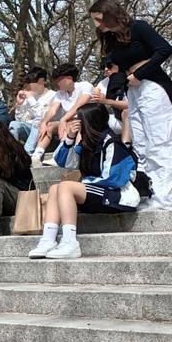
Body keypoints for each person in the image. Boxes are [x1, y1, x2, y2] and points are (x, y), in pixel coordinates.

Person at [91, 0, 172, 210]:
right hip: (133, 92)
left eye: (99, 19)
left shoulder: (138, 27)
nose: (97, 25)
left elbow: (164, 49)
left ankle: (163, 199)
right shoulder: (112, 39)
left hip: (152, 88)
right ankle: (149, 194)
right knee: (141, 145)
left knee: (159, 143)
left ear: (110, 14)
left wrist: (139, 73)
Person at [29, 102, 140, 259]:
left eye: (80, 120)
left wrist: (85, 184)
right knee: (55, 188)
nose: (76, 123)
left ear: (90, 121)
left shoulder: (112, 143)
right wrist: (69, 138)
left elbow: (115, 178)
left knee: (66, 187)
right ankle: (48, 240)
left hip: (117, 195)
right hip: (98, 192)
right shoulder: (87, 143)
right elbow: (63, 162)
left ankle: (70, 242)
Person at [30, 63, 93, 166]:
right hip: (68, 121)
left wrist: (64, 119)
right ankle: (37, 155)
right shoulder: (60, 93)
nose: (56, 83)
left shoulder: (85, 86)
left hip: (86, 121)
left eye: (59, 80)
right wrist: (44, 122)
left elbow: (79, 105)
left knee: (69, 123)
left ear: (69, 78)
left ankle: (59, 155)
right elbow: (52, 110)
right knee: (49, 126)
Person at [10, 68, 56, 155]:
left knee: (38, 121)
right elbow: (20, 119)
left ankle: (27, 152)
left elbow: (44, 116)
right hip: (29, 127)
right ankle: (12, 152)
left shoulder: (52, 95)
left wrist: (31, 100)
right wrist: (19, 105)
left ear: (42, 82)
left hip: (44, 129)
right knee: (14, 124)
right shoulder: (28, 96)